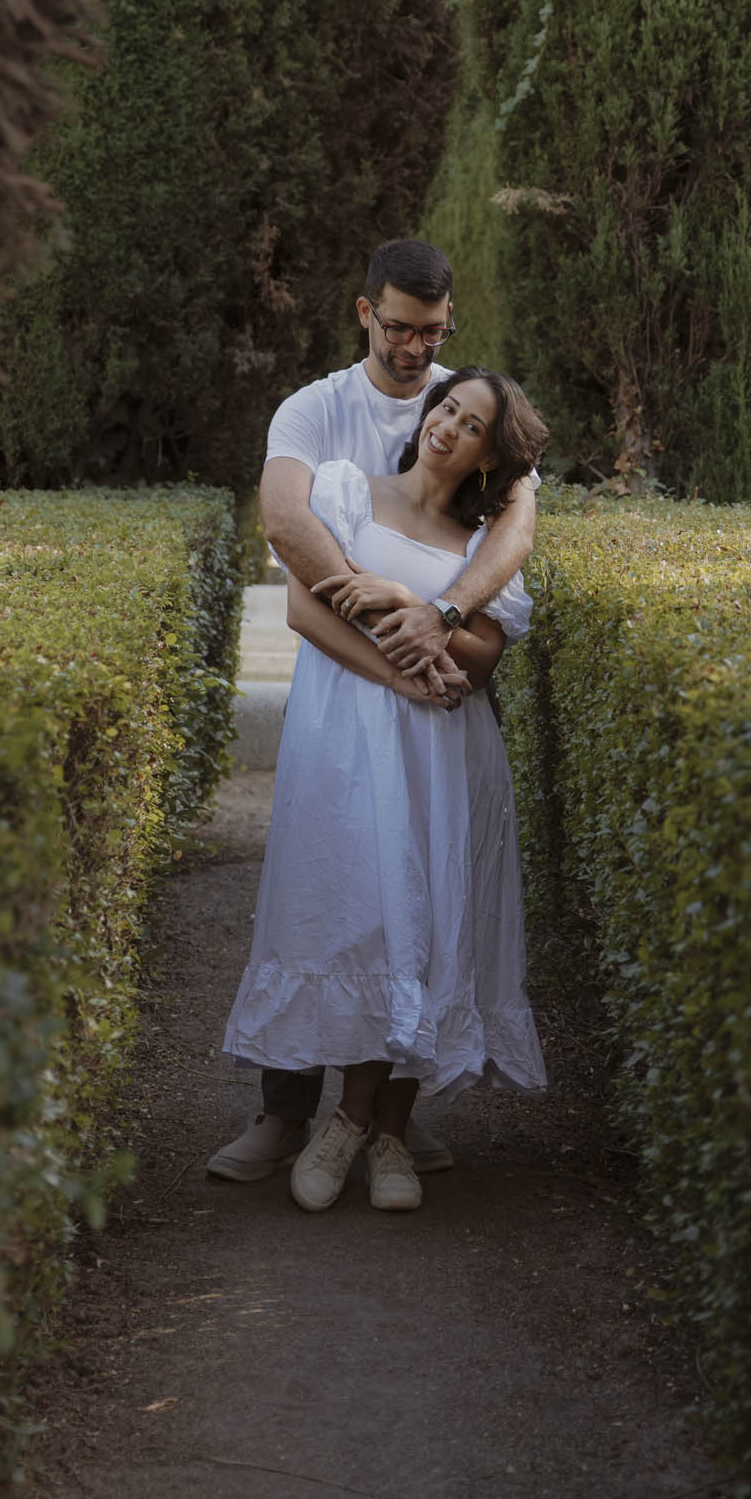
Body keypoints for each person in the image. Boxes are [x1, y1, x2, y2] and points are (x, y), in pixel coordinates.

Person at [206, 238, 538, 1184]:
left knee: (418, 892)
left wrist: (441, 613)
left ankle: (392, 1113)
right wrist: (380, 607)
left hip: (432, 694)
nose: (412, 346)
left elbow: (513, 527)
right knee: (324, 881)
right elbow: (285, 524)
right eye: (397, 327)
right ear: (364, 313)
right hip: (343, 693)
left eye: (430, 332)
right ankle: (284, 1111)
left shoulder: (475, 403)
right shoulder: (318, 407)